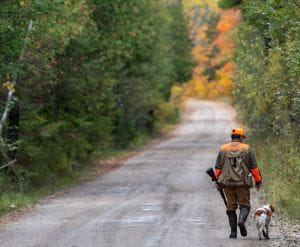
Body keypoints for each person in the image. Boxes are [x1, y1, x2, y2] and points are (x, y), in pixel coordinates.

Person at [214, 127, 262, 239]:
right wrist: (258, 180)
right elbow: (254, 167)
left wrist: (217, 180)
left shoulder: (223, 148)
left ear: (232, 137)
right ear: (240, 137)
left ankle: (233, 233)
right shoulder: (247, 149)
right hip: (242, 183)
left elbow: (218, 168)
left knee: (230, 207)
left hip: (227, 183)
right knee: (245, 205)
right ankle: (241, 221)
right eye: (243, 137)